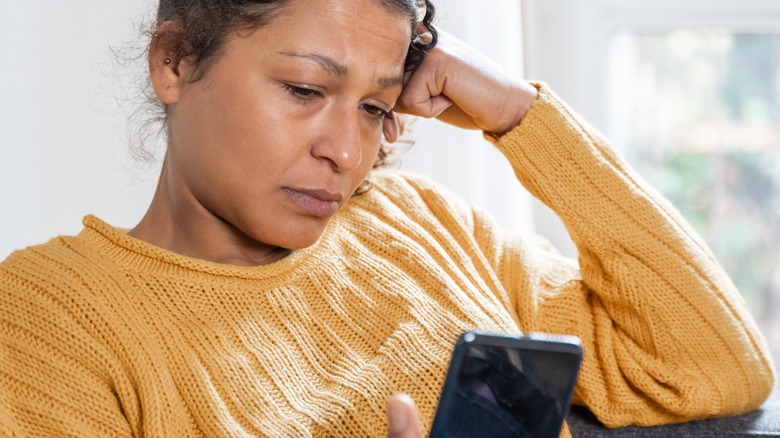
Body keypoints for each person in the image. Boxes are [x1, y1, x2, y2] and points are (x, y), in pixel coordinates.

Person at [0, 0, 775, 436]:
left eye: (375, 106)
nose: (348, 150)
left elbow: (712, 364)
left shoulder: (422, 226)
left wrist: (519, 114)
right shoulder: (50, 315)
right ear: (174, 63)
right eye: (305, 90)